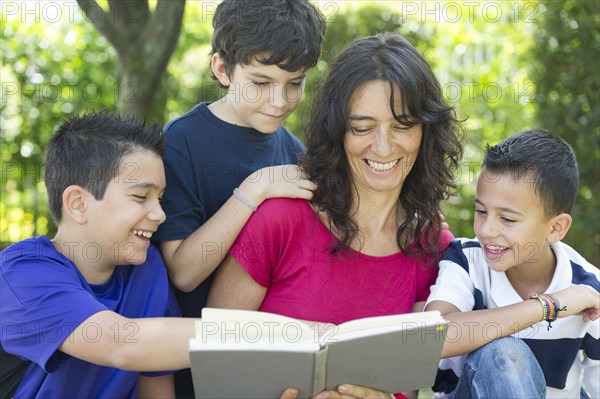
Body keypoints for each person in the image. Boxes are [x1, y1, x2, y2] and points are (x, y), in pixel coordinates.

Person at [207, 33, 464, 399]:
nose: (383, 146)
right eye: (362, 127)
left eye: (403, 125)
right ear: (337, 131)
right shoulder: (281, 219)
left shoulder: (433, 246)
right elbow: (214, 362)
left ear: (427, 131)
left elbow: (411, 381)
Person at [0, 112, 303, 399]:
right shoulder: (22, 273)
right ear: (78, 203)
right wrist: (285, 334)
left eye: (159, 198)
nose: (159, 214)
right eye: (140, 197)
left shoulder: (148, 270)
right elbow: (122, 344)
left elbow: (155, 388)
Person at [153, 1, 325, 395]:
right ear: (222, 69)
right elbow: (183, 272)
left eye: (294, 83)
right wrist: (253, 190)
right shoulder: (182, 142)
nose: (279, 101)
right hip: (192, 367)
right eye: (261, 83)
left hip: (269, 363)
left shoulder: (294, 151)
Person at [425, 129, 600, 398]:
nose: (486, 230)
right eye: (481, 211)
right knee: (503, 355)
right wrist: (547, 306)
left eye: (507, 219)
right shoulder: (466, 261)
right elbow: (430, 339)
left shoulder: (589, 290)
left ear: (556, 227)